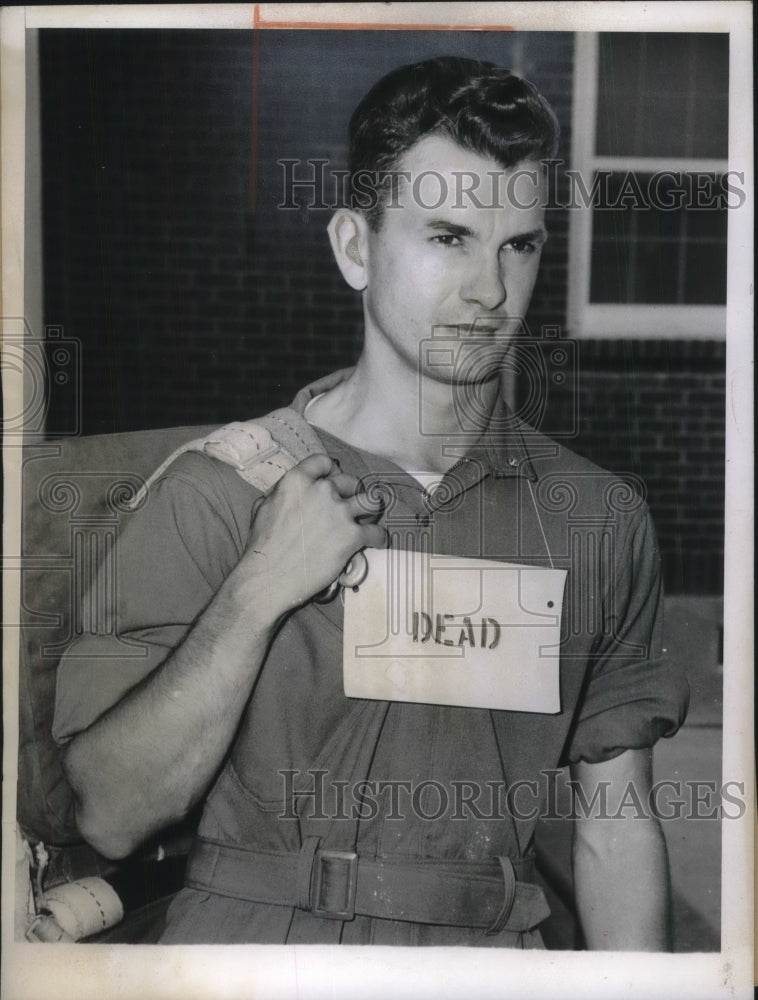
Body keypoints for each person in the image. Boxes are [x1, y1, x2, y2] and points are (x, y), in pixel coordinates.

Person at [53, 56, 688, 949]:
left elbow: (616, 828)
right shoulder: (226, 489)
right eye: (447, 237)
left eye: (519, 244)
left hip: (485, 956)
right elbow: (111, 816)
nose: (490, 291)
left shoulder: (595, 522)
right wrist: (258, 589)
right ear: (355, 247)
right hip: (256, 951)